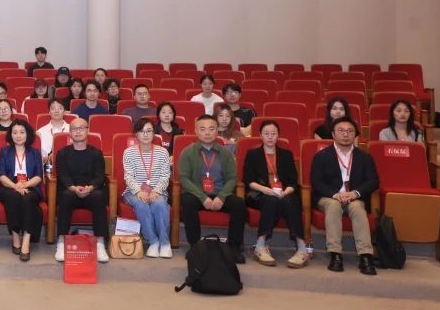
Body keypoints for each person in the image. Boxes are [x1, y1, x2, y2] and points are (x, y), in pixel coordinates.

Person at [310, 117, 379, 275]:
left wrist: (355, 193)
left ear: (355, 135)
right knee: (333, 206)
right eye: (341, 131)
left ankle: (366, 255)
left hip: (354, 197)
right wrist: (335, 194)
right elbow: (316, 182)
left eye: (350, 131)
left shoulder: (364, 157)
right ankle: (335, 254)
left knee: (357, 208)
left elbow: (373, 181)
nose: (346, 134)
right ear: (333, 134)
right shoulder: (322, 156)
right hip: (329, 197)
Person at [178, 114, 247, 263]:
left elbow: (232, 178)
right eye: (203, 129)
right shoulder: (187, 152)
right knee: (188, 202)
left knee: (239, 204)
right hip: (197, 194)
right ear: (196, 131)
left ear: (217, 131)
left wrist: (221, 197)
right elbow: (184, 179)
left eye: (211, 129)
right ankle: (195, 246)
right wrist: (203, 198)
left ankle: (233, 247)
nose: (207, 133)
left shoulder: (226, 153)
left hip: (220, 194)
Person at [243, 120, 308, 269]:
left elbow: (293, 181)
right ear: (260, 135)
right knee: (271, 200)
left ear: (278, 135)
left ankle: (301, 248)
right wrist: (265, 189)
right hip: (260, 193)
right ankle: (260, 246)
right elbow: (248, 179)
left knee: (291, 201)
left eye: (273, 133)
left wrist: (285, 192)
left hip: (283, 193)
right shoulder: (253, 154)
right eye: (266, 133)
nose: (270, 137)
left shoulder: (286, 155)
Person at [53, 118, 110, 263]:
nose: (78, 131)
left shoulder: (96, 153)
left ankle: (100, 243)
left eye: (81, 128)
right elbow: (62, 176)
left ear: (87, 130)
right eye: (74, 129)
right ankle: (61, 242)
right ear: (70, 132)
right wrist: (74, 188)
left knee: (99, 197)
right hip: (70, 191)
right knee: (65, 196)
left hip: (91, 192)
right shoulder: (62, 153)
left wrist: (89, 188)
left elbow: (99, 177)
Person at [122, 118, 172, 259]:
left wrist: (156, 191)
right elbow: (128, 177)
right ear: (136, 134)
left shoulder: (162, 152)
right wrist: (139, 191)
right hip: (133, 192)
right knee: (141, 203)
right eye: (142, 131)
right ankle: (153, 241)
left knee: (159, 204)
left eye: (149, 131)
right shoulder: (129, 152)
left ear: (154, 133)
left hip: (158, 191)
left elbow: (165, 176)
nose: (145, 134)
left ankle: (165, 243)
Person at [0, 120, 44, 261]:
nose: (18, 135)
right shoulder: (5, 151)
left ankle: (26, 240)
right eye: (15, 132)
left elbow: (39, 176)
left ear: (27, 134)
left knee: (28, 198)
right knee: (13, 197)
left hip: (31, 186)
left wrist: (25, 185)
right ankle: (16, 236)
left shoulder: (35, 153)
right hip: (9, 186)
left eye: (22, 132)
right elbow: (2, 175)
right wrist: (15, 186)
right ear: (10, 135)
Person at [36, 98, 70, 163]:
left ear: (64, 112)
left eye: (60, 108)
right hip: (46, 166)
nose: (56, 111)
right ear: (49, 112)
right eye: (53, 108)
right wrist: (44, 159)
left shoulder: (72, 130)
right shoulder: (40, 132)